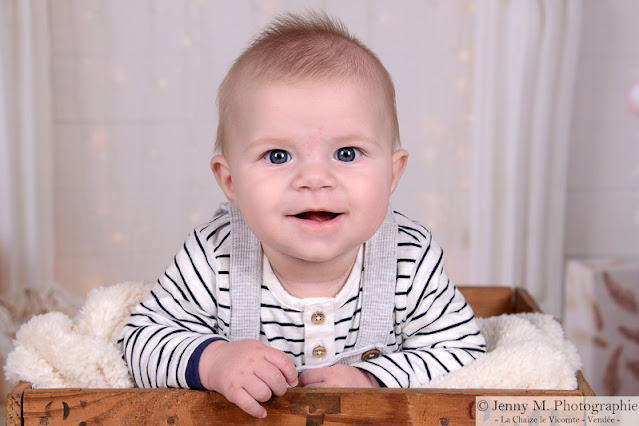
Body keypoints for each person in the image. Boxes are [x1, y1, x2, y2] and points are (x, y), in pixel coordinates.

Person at [120, 11, 486, 419]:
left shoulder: (409, 256)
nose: (314, 179)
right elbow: (140, 341)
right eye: (278, 155)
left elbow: (464, 353)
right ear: (230, 182)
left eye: (347, 153)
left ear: (392, 173)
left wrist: (372, 379)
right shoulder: (213, 254)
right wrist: (215, 362)